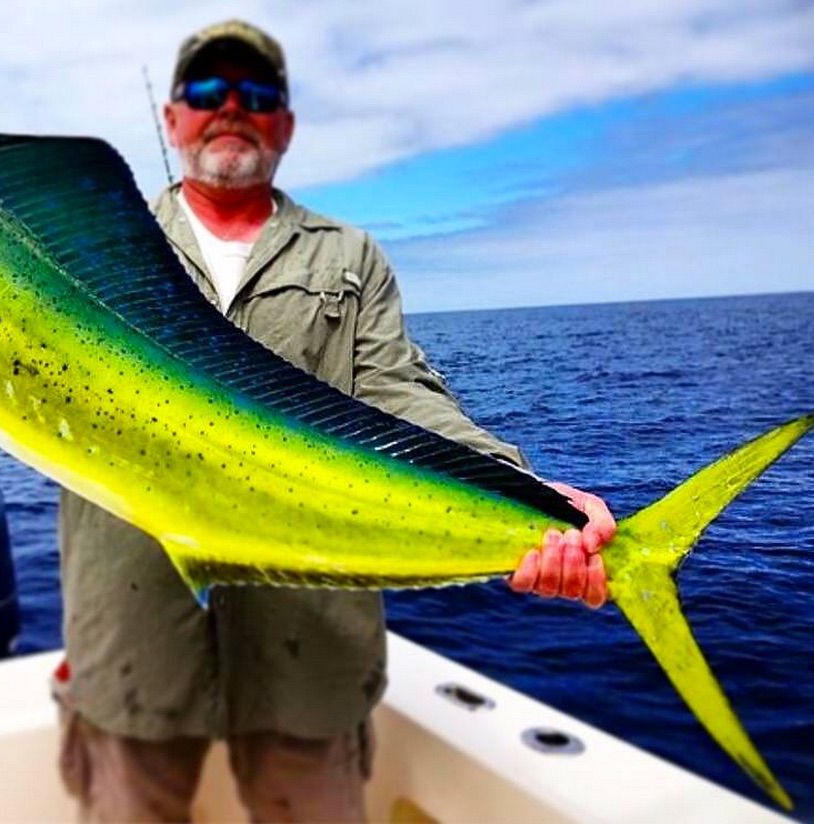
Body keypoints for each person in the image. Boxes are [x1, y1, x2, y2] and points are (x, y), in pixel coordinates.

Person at [45, 20, 617, 823]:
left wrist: (525, 491)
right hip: (133, 651)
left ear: (285, 124)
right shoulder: (89, 254)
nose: (232, 108)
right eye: (208, 92)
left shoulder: (349, 256)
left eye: (258, 94)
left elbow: (398, 391)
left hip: (310, 664)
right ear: (173, 119)